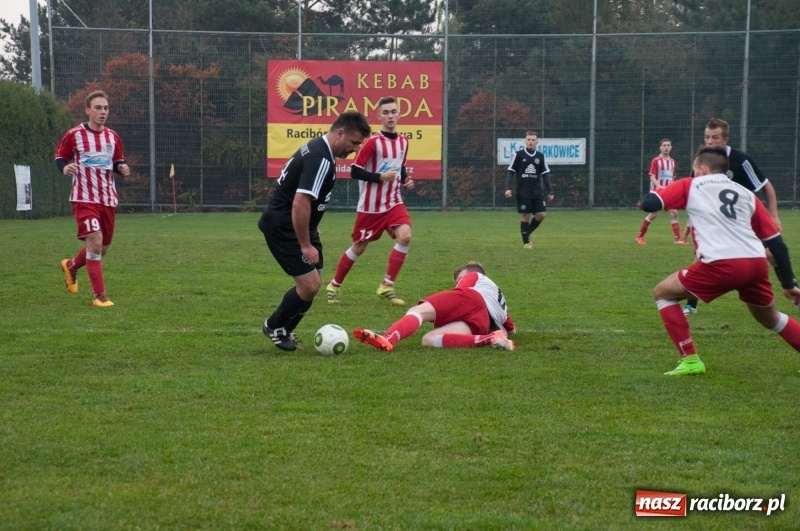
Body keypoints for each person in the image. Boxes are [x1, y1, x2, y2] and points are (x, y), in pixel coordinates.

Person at [641, 146, 800, 376]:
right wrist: (788, 283)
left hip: (720, 264)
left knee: (663, 293)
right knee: (771, 318)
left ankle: (691, 360)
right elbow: (776, 243)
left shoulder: (691, 185)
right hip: (755, 264)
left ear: (703, 169)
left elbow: (650, 203)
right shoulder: (746, 194)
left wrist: (649, 197)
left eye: (695, 170)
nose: (693, 174)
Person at [258, 111, 371, 351]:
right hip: (283, 226)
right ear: (340, 133)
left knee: (315, 281)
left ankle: (282, 328)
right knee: (309, 285)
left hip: (297, 225)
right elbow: (300, 201)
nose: (355, 150)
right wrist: (305, 244)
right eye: (354, 143)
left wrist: (312, 227)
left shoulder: (320, 150)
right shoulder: (321, 158)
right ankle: (276, 327)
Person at [682, 117, 781, 315]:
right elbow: (694, 193)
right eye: (707, 137)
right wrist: (691, 220)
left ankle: (789, 287)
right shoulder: (702, 161)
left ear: (725, 139)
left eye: (715, 137)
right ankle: (691, 305)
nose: (710, 142)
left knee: (772, 254)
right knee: (700, 259)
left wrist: (774, 216)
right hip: (713, 222)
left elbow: (766, 186)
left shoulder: (740, 160)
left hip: (744, 219)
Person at [326, 97, 415, 306]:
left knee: (405, 236)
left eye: (393, 111)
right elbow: (354, 170)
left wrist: (406, 180)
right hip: (370, 207)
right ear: (379, 116)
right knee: (359, 247)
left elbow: (400, 167)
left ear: (399, 114)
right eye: (386, 112)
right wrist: (380, 177)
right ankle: (334, 285)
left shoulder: (403, 141)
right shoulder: (373, 142)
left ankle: (386, 285)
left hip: (393, 201)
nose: (390, 115)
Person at [56, 90, 130, 308]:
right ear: (88, 110)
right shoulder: (75, 134)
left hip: (107, 199)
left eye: (106, 108)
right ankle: (100, 296)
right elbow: (60, 156)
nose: (103, 112)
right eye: (98, 108)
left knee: (102, 248)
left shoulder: (112, 136)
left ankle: (70, 266)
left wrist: (122, 167)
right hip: (84, 198)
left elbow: (117, 160)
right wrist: (65, 167)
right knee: (95, 243)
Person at [353, 261, 516, 352]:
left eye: (459, 278)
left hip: (471, 299)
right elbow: (511, 330)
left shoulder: (475, 276)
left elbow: (460, 294)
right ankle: (489, 339)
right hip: (484, 323)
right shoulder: (502, 303)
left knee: (418, 312)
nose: (458, 281)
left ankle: (388, 338)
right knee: (429, 339)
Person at [505, 131, 553, 249]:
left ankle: (527, 233)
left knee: (541, 214)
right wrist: (508, 188)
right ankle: (526, 243)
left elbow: (545, 174)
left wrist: (550, 191)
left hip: (537, 191)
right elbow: (511, 171)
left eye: (533, 140)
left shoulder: (540, 156)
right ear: (525, 141)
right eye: (528, 140)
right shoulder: (518, 155)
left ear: (537, 142)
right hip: (523, 191)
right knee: (526, 215)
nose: (531, 142)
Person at [635, 139, 687, 245]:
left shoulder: (672, 162)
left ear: (671, 147)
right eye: (664, 145)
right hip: (657, 192)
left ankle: (677, 239)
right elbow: (652, 176)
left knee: (674, 212)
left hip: (668, 192)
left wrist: (672, 188)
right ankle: (639, 237)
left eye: (668, 145)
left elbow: (672, 178)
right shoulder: (656, 161)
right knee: (653, 214)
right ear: (660, 147)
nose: (666, 147)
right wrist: (660, 187)